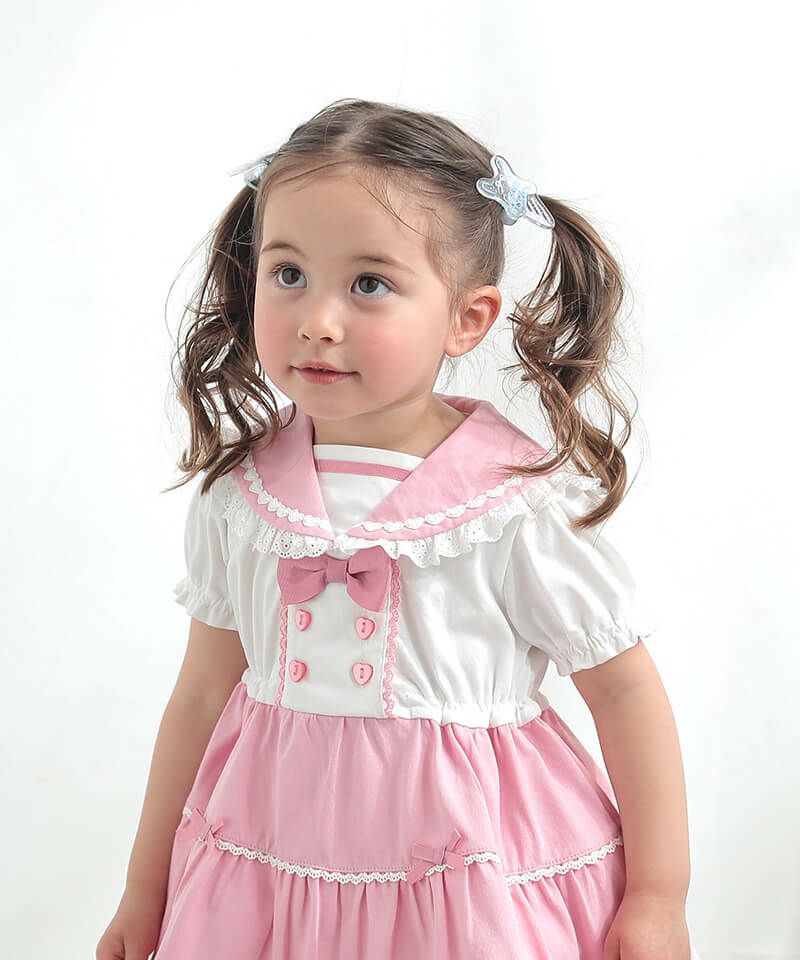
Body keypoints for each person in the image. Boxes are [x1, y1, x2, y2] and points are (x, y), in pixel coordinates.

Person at [96, 98, 703, 960]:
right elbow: (200, 694)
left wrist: (659, 895)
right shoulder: (242, 494)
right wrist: (145, 887)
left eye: (369, 284)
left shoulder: (511, 504)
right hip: (273, 861)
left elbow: (624, 691)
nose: (317, 320)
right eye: (288, 273)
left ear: (466, 318)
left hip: (461, 877)